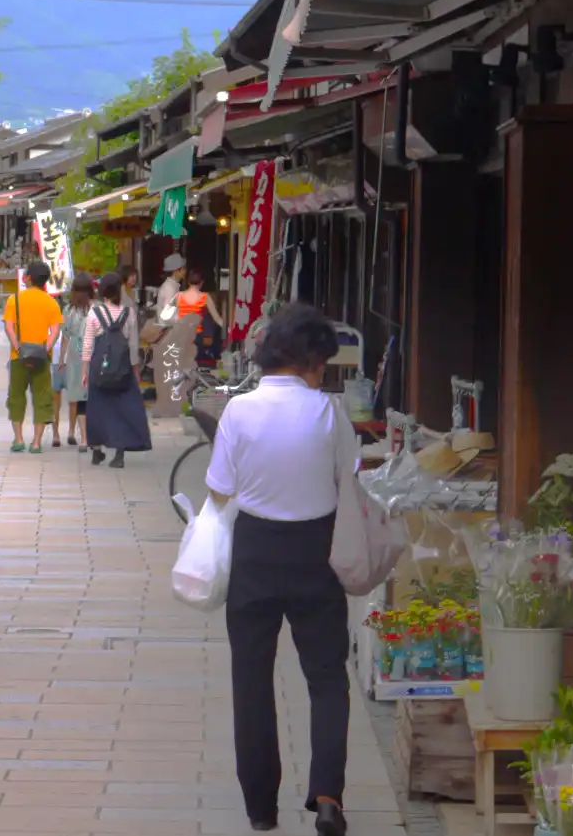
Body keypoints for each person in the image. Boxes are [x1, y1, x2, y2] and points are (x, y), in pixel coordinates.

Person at [204, 303, 353, 836]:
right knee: (328, 676)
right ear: (312, 358)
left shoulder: (240, 411)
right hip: (317, 551)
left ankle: (261, 809)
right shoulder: (330, 413)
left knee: (251, 679)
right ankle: (328, 794)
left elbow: (219, 488)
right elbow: (348, 480)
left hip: (256, 551)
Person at [81, 271, 151, 468]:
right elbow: (133, 346)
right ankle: (119, 454)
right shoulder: (129, 313)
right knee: (122, 410)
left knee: (97, 409)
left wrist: (84, 371)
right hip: (123, 370)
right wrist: (136, 372)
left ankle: (96, 450)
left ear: (102, 289)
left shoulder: (94, 313)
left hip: (99, 370)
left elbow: (88, 345)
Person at [2, 261, 63, 453]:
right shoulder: (51, 302)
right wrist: (47, 348)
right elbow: (55, 331)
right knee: (42, 397)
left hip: (18, 356)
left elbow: (9, 327)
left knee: (16, 396)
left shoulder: (15, 300)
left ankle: (18, 439)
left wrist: (17, 345)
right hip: (42, 357)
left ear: (28, 278)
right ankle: (36, 442)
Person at [56, 272, 94, 451]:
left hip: (74, 352)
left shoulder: (68, 309)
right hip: (93, 351)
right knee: (91, 394)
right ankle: (88, 436)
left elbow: (64, 336)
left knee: (77, 394)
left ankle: (80, 435)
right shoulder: (95, 308)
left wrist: (61, 358)